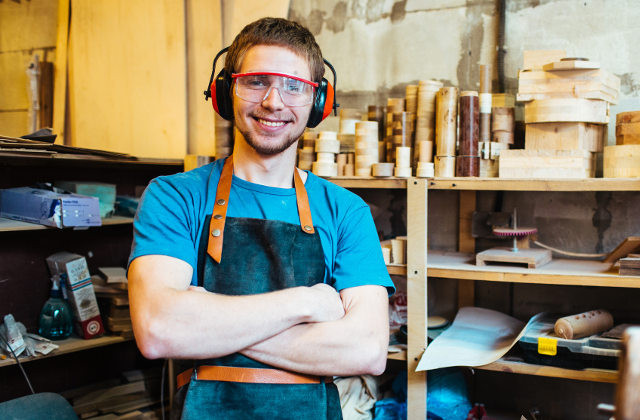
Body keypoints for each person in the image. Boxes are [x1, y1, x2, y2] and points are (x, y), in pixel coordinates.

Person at [127, 17, 395, 419]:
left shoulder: (346, 211)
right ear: (225, 91)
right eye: (256, 81)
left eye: (294, 86)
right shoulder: (174, 196)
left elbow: (368, 350)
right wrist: (305, 302)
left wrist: (207, 325)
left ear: (318, 103)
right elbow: (159, 331)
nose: (274, 101)